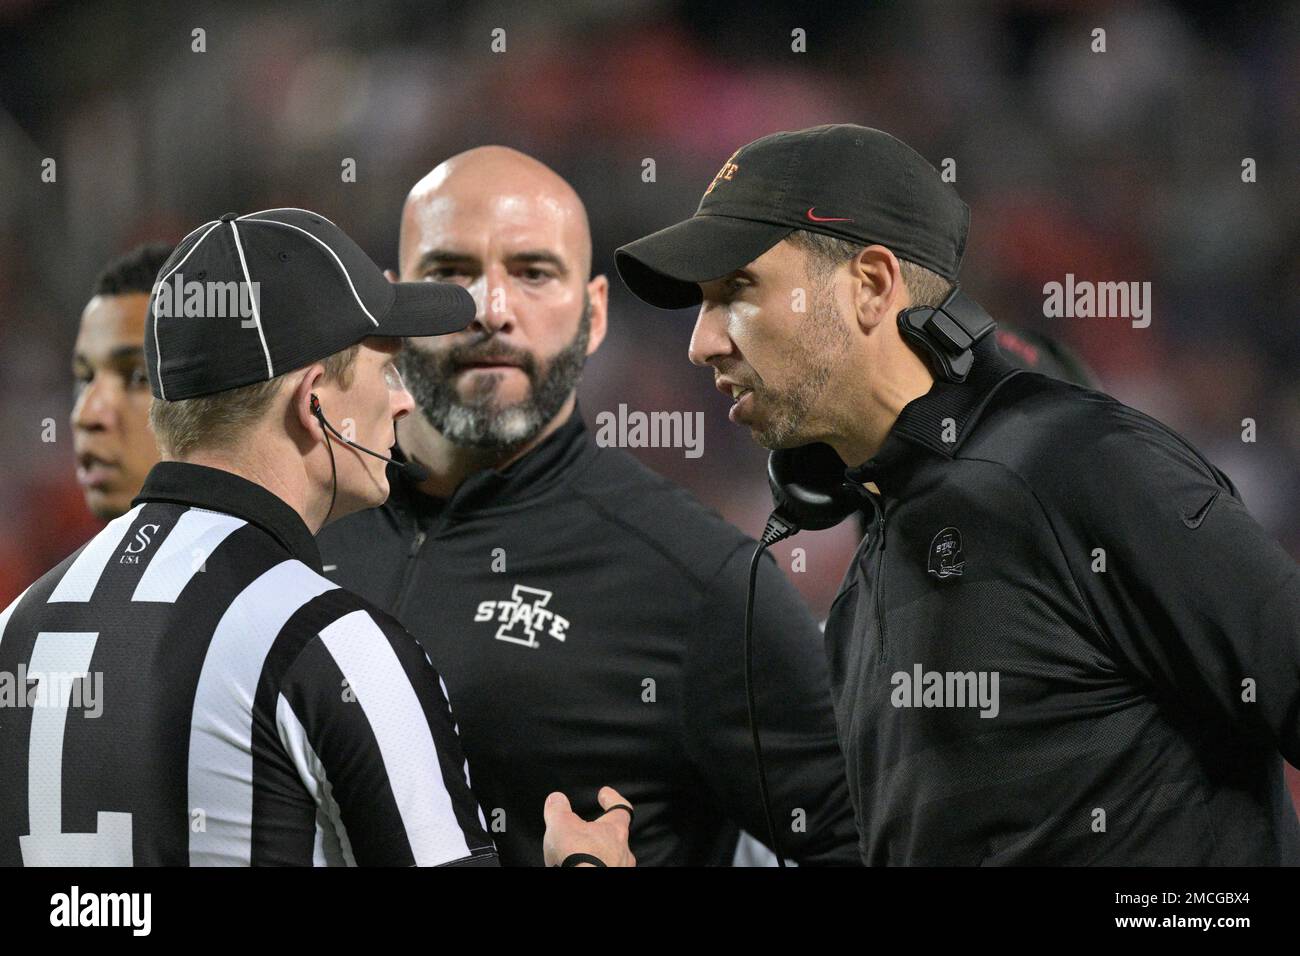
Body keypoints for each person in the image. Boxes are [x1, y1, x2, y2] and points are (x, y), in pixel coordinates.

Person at [616, 124, 1300, 864]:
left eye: (736, 291)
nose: (701, 342)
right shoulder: (865, 583)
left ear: (872, 286)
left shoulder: (1078, 464)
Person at [0, 208, 631, 867]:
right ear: (315, 403)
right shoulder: (329, 642)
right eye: (387, 374)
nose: (405, 403)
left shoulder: (15, 625)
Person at [316, 148, 859, 866]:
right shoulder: (298, 533)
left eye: (534, 273)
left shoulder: (702, 584)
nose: (491, 311)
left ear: (595, 313)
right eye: (450, 273)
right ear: (391, 304)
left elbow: (859, 845)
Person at [72, 243, 174, 520]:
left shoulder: (286, 563)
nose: (85, 415)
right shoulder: (76, 562)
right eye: (85, 378)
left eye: (138, 376)